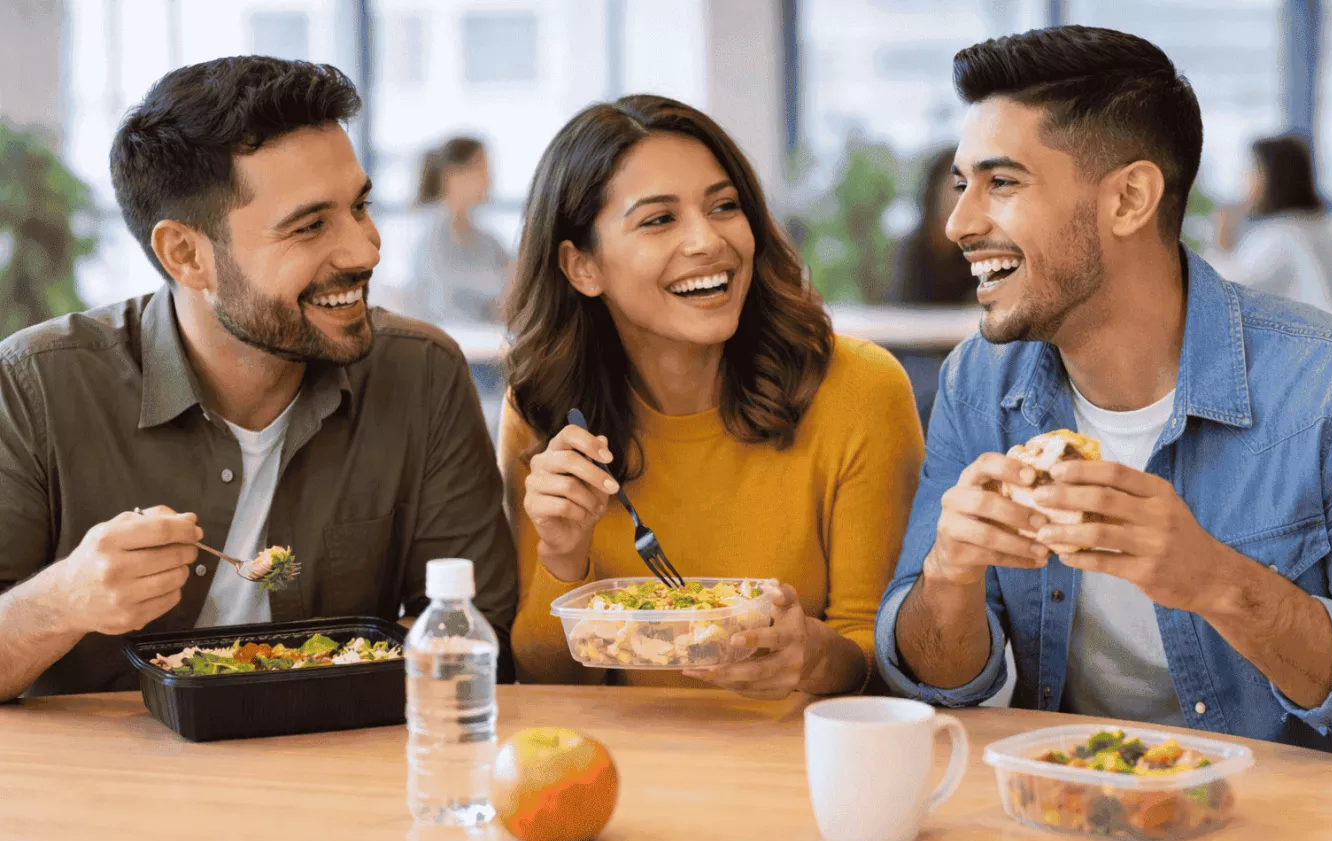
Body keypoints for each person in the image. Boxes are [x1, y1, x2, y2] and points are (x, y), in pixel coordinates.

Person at [875, 26, 1332, 756]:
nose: (959, 223)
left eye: (1001, 183)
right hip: (1057, 818)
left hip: (1281, 838)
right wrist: (949, 571)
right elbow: (935, 689)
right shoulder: (979, 382)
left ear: (1129, 198)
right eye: (960, 185)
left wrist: (1215, 581)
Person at [0, 57, 518, 699]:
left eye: (359, 206)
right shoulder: (35, 387)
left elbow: (480, 634)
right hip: (104, 787)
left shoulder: (420, 376)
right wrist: (61, 601)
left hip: (345, 770)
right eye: (308, 227)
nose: (365, 250)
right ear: (186, 254)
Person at [499, 95, 923, 699]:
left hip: (796, 766)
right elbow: (548, 680)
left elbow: (886, 661)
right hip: (622, 769)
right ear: (581, 267)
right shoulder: (542, 409)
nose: (708, 241)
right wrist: (564, 554)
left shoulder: (859, 390)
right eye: (658, 220)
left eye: (724, 206)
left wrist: (812, 658)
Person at [1209, 134, 1332, 309]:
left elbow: (1223, 292)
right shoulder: (1323, 229)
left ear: (1271, 178)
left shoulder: (1280, 236)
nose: (1246, 180)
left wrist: (1222, 240)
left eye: (1252, 171)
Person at [405, 136, 513, 326]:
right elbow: (442, 303)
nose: (489, 177)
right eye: (480, 167)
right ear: (452, 175)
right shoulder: (430, 236)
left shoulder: (488, 240)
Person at [888, 145, 976, 305]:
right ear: (935, 192)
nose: (961, 198)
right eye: (959, 187)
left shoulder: (977, 252)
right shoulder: (913, 252)